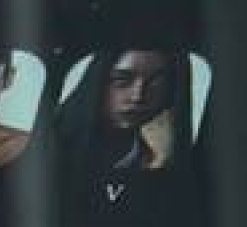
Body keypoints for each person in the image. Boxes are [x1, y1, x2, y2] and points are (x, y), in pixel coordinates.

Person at [58, 48, 194, 172]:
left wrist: (161, 159)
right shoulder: (55, 147)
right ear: (98, 82)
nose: (137, 97)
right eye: (122, 80)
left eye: (155, 83)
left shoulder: (170, 151)